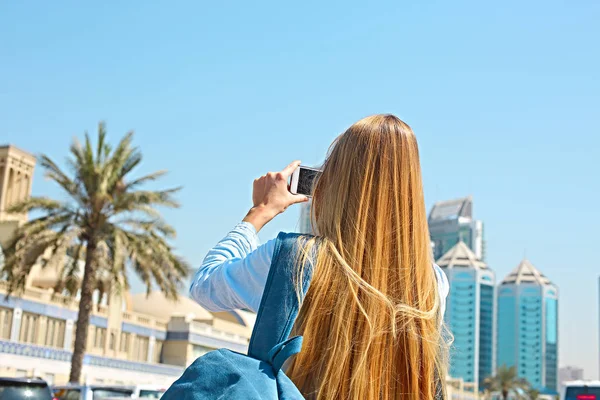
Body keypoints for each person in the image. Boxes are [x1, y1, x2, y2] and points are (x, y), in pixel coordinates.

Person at [190, 114, 450, 400]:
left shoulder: (294, 260)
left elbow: (204, 286)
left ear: (332, 185)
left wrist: (260, 211)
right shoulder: (433, 283)